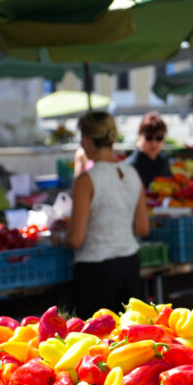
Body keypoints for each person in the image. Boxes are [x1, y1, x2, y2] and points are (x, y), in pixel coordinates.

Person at [66, 111, 149, 317]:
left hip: (96, 272)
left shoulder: (87, 180)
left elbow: (75, 239)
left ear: (86, 139)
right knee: (129, 341)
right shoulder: (131, 173)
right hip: (129, 266)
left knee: (96, 344)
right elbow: (142, 228)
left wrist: (59, 238)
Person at [126, 112, 172, 189]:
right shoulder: (131, 165)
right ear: (139, 137)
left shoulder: (163, 160)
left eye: (159, 138)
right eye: (149, 138)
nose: (154, 143)